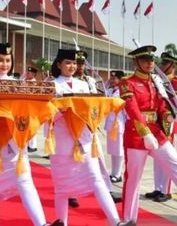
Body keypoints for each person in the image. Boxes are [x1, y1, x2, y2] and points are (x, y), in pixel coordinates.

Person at [0, 42, 63, 226]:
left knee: (26, 183)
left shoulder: (19, 84)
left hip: (16, 143)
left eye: (8, 60)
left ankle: (42, 224)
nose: (5, 64)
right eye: (0, 60)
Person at [49, 49, 132, 226]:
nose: (71, 66)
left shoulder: (83, 85)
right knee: (62, 188)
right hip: (62, 142)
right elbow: (45, 116)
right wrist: (62, 110)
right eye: (67, 63)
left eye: (74, 63)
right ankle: (61, 222)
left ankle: (116, 221)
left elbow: (91, 110)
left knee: (97, 179)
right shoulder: (52, 86)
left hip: (85, 140)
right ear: (58, 64)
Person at [119, 45, 177, 224]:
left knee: (175, 165)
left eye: (152, 60)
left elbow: (160, 105)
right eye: (145, 60)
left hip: (157, 133)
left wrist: (168, 115)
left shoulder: (156, 81)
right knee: (133, 178)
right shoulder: (126, 82)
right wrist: (144, 132)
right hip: (137, 134)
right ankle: (129, 219)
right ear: (135, 62)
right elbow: (132, 108)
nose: (150, 63)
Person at [144, 51, 177, 202]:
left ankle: (166, 190)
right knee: (159, 158)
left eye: (165, 63)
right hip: (158, 123)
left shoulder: (175, 82)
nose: (161, 66)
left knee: (169, 159)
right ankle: (158, 188)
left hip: (171, 124)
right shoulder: (157, 81)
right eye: (162, 63)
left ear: (173, 65)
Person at [104, 70, 126, 183]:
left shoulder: (123, 92)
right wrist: (107, 84)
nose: (112, 80)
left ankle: (118, 174)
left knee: (119, 150)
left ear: (120, 80)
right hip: (110, 123)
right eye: (111, 78)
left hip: (119, 123)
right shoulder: (109, 90)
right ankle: (113, 172)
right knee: (112, 150)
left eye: (114, 78)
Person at [24, 65, 39, 152]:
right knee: (25, 126)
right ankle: (28, 144)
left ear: (33, 75)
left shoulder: (34, 84)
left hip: (32, 107)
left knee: (32, 126)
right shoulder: (25, 81)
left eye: (29, 73)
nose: (27, 74)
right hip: (25, 106)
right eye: (27, 72)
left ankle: (33, 146)